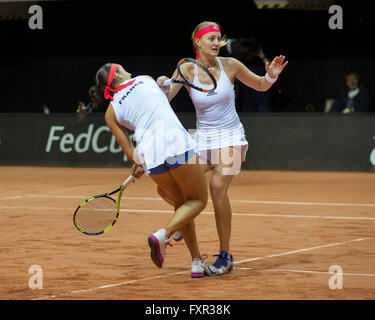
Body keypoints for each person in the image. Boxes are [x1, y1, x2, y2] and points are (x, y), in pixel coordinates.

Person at [157, 21, 288, 276]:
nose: (217, 43)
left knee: (217, 188)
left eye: (219, 38)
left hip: (232, 137)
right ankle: (183, 222)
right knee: (168, 186)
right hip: (202, 139)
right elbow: (164, 99)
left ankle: (225, 256)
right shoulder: (185, 68)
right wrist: (162, 84)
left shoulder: (231, 65)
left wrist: (271, 74)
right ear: (198, 41)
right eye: (211, 38)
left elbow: (261, 85)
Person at [79, 63, 208, 278]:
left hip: (151, 156)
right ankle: (163, 235)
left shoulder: (110, 113)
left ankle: (196, 261)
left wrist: (139, 162)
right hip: (174, 143)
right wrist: (163, 81)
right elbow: (162, 97)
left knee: (181, 205)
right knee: (198, 201)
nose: (127, 69)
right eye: (122, 67)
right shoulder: (145, 78)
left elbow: (131, 153)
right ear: (118, 74)